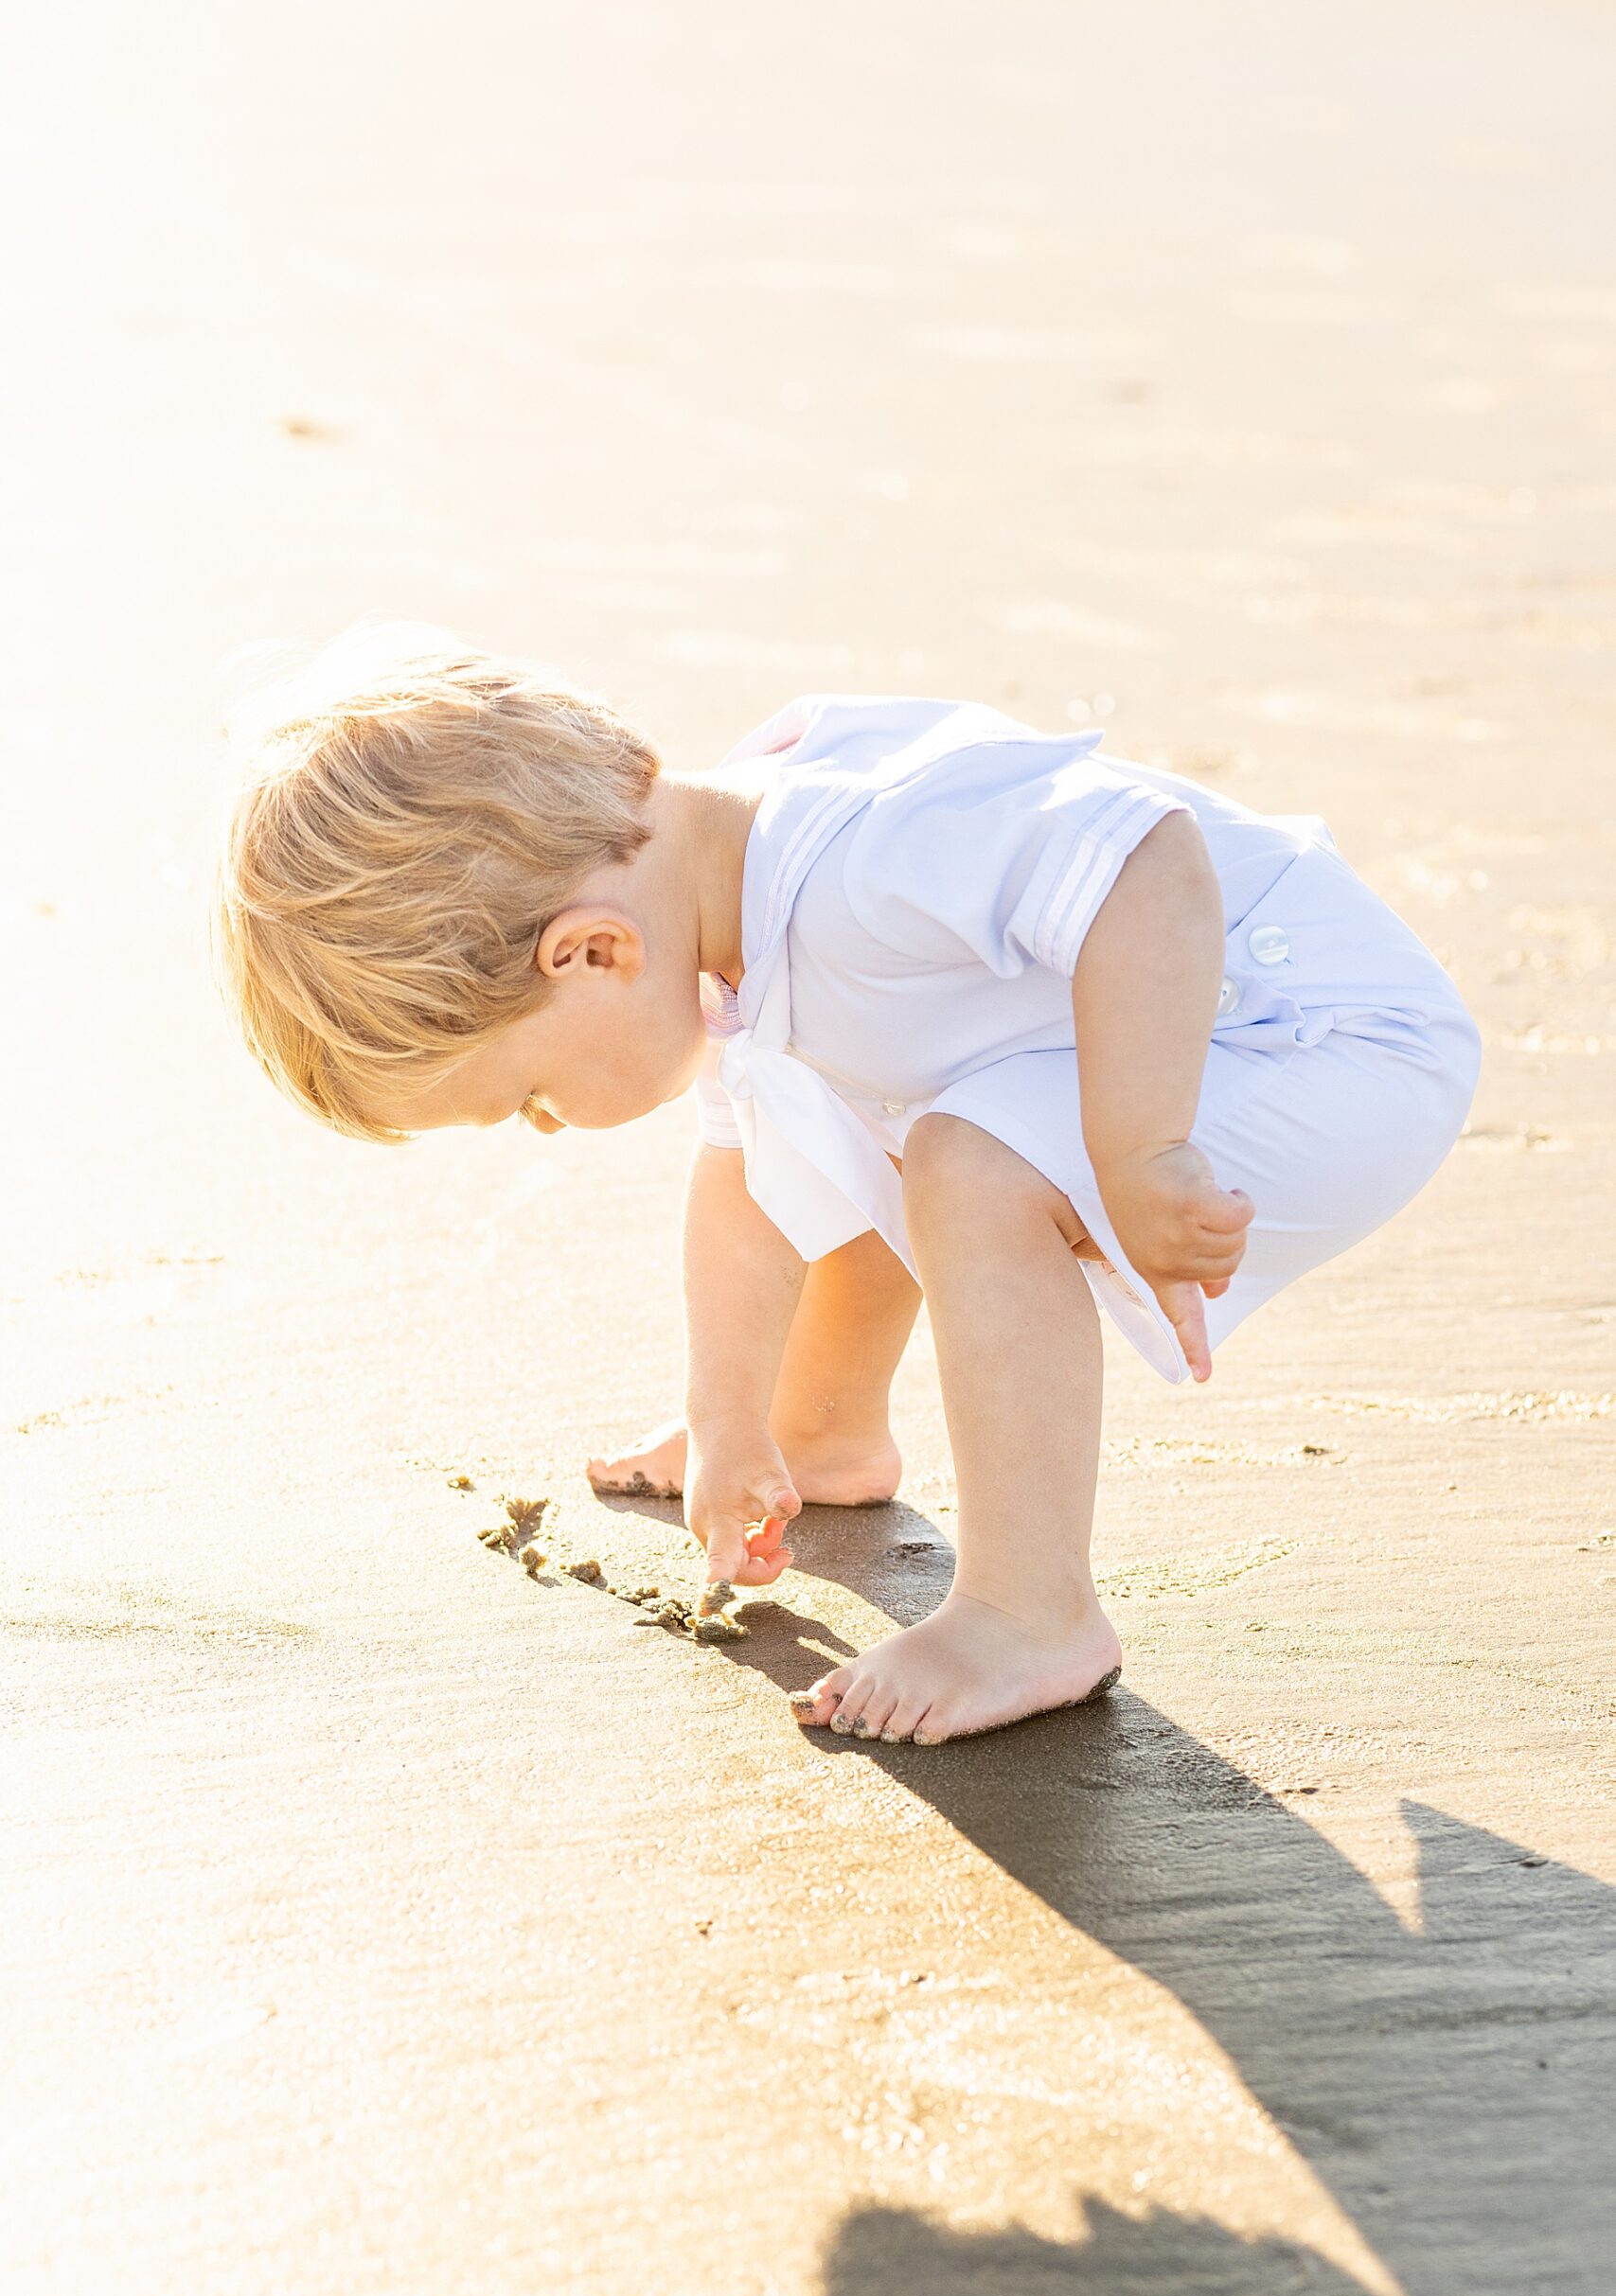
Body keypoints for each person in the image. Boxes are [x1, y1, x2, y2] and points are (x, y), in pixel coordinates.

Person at [216, 642, 1480, 1746]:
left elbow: (1149, 862)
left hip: (1319, 1038)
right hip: (1196, 1040)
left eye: (530, 1099)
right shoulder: (721, 896)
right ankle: (824, 1428)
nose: (550, 1125)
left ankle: (1029, 1611)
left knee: (965, 1161)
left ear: (593, 953)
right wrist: (729, 1420)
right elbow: (745, 1184)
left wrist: (1139, 1151)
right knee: (851, 1102)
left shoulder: (864, 858)